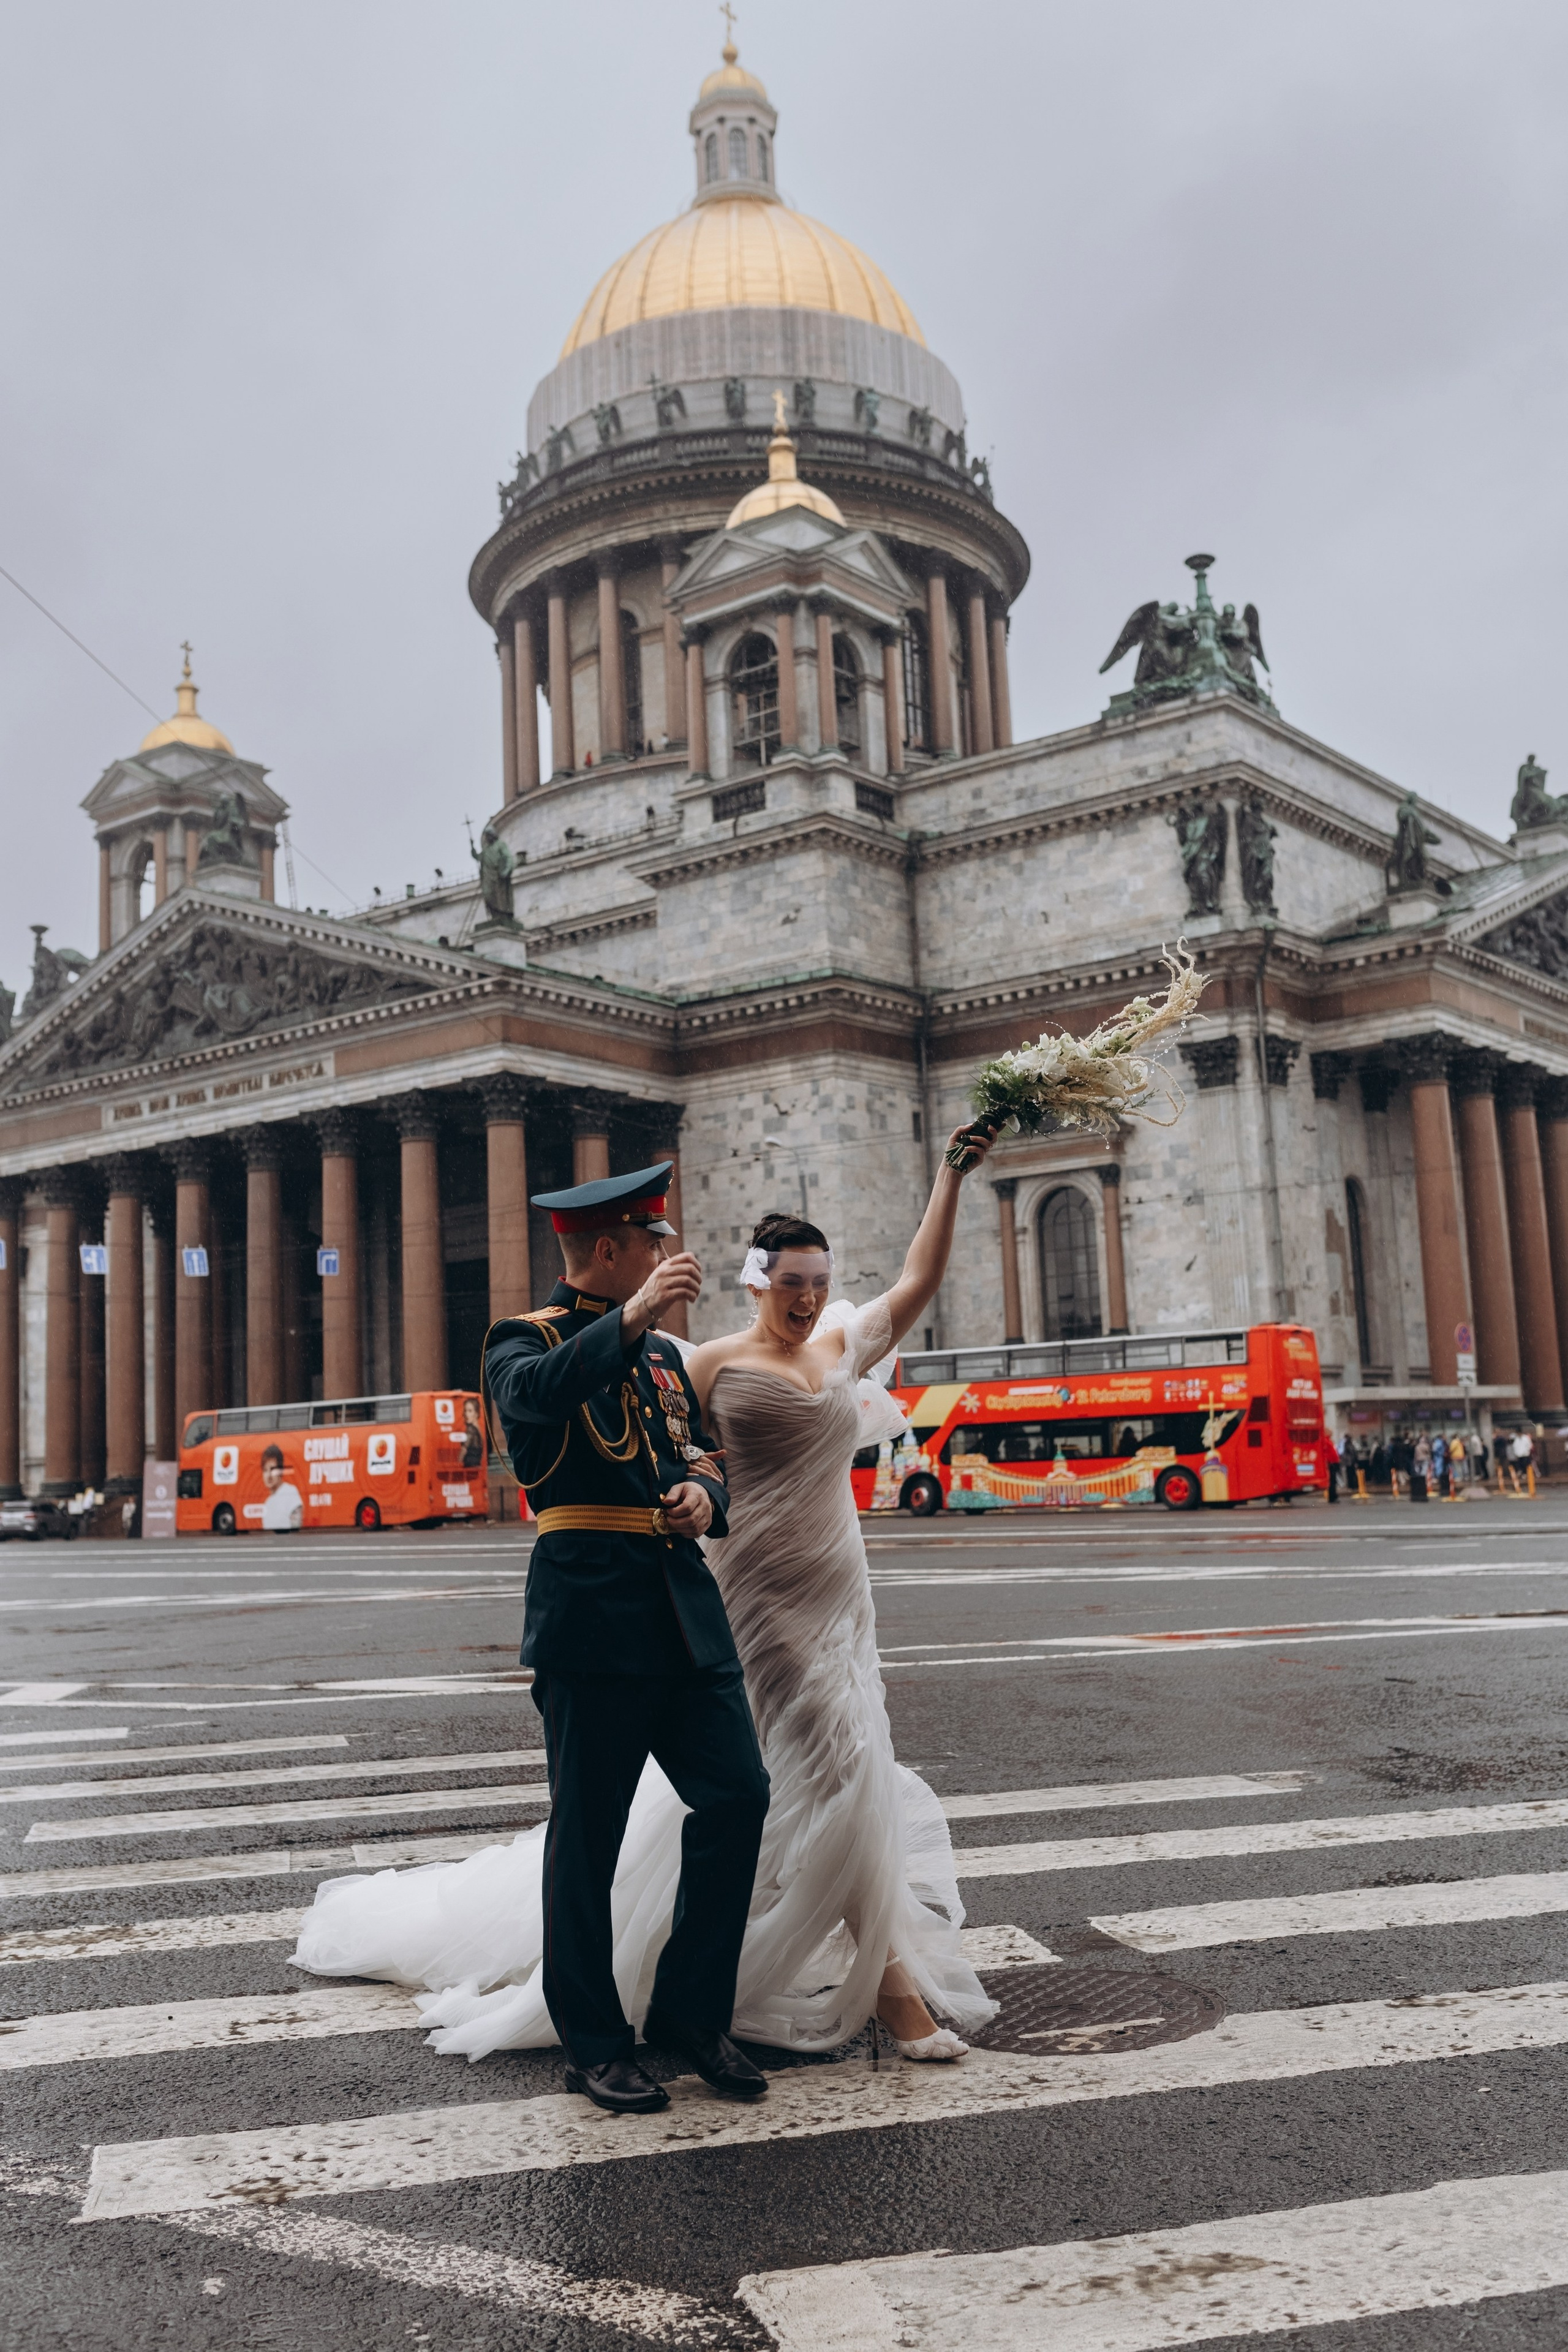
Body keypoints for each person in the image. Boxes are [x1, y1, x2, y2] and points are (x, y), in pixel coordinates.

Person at [292, 1126, 998, 2082]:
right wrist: (630, 1321)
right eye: (652, 1239)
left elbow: (696, 1455)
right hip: (592, 1622)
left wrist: (707, 1494)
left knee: (740, 1798)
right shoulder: (525, 1339)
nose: (670, 1253)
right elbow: (539, 1395)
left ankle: (691, 2018)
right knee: (591, 1835)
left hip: (688, 1617)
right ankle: (593, 2042)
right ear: (613, 1249)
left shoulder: (671, 1366)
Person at [259, 1443, 304, 1532]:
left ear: (281, 1470)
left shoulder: (291, 1491)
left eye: (273, 1469)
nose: (269, 1476)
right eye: (265, 1470)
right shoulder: (267, 1503)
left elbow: (296, 1526)